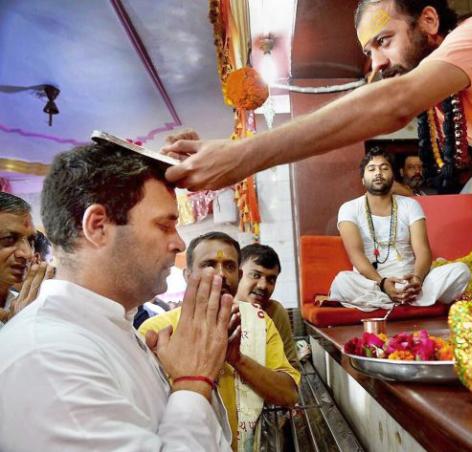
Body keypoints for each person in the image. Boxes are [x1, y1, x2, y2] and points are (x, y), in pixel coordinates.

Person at [162, 0, 472, 305]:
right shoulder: (452, 93)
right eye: (369, 52)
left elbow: (389, 103)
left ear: (428, 20)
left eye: (383, 41)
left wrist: (240, 156)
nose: (378, 62)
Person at [0, 143, 237, 451]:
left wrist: (179, 379)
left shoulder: (112, 325)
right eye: (165, 225)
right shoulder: (45, 354)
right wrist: (193, 380)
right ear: (98, 227)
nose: (179, 244)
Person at [139, 232, 299, 451]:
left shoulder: (259, 322)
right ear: (188, 275)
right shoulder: (158, 331)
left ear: (239, 275)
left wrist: (237, 359)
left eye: (230, 266)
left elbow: (288, 395)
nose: (221, 274)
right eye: (209, 264)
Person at [329, 148, 470, 311]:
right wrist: (383, 284)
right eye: (372, 169)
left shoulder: (410, 205)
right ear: (362, 179)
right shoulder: (349, 208)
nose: (378, 173)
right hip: (373, 284)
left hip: (410, 281)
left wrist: (416, 279)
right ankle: (395, 298)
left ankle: (397, 299)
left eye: (384, 168)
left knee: (461, 271)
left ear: (393, 176)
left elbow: (423, 251)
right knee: (342, 281)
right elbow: (356, 255)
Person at [237, 243, 299, 370]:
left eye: (271, 280)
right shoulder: (218, 311)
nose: (263, 286)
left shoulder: (275, 312)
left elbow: (291, 367)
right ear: (237, 274)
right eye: (255, 275)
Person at [0, 192, 51, 328]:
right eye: (9, 239)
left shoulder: (20, 303)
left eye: (30, 241)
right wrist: (19, 327)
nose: (28, 254)